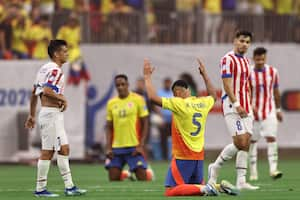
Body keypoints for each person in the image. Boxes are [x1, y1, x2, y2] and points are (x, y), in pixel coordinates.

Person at [143, 58, 238, 196]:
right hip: (198, 157)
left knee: (170, 191)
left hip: (183, 157)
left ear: (178, 93)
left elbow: (153, 98)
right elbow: (213, 95)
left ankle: (208, 188)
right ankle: (217, 187)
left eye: (174, 94)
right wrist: (205, 75)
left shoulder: (179, 103)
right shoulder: (202, 102)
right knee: (195, 188)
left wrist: (147, 77)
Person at [24, 39, 87, 197]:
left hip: (52, 114)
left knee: (64, 149)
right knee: (48, 152)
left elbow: (34, 92)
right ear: (56, 54)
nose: (67, 54)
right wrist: (63, 99)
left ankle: (70, 187)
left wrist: (31, 114)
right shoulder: (55, 70)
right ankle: (40, 189)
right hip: (51, 114)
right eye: (64, 51)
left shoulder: (43, 69)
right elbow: (46, 91)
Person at [207, 30, 259, 190]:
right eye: (242, 40)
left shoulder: (247, 62)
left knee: (246, 143)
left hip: (246, 107)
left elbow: (248, 85)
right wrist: (237, 104)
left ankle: (241, 181)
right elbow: (227, 85)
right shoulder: (227, 59)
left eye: (247, 42)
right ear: (235, 41)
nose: (244, 44)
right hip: (231, 105)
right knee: (240, 141)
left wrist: (252, 103)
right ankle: (215, 167)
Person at [105, 74, 153, 181]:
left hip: (134, 147)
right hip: (117, 148)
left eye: (123, 84)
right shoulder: (111, 103)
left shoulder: (138, 99)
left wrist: (141, 145)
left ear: (128, 85)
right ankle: (127, 175)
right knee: (113, 179)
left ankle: (144, 172)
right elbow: (108, 127)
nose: (120, 87)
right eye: (117, 85)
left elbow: (145, 123)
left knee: (143, 178)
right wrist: (108, 147)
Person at [248, 47, 283, 181]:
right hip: (253, 112)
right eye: (258, 59)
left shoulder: (272, 72)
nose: (260, 61)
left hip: (269, 110)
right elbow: (246, 92)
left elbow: (276, 92)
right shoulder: (249, 73)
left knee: (271, 138)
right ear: (253, 58)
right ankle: (253, 172)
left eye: (262, 58)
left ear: (265, 58)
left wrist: (278, 110)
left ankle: (273, 169)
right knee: (253, 141)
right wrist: (251, 106)